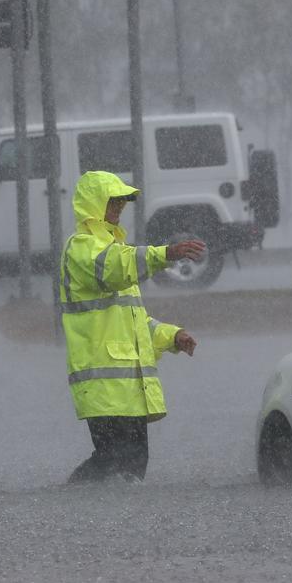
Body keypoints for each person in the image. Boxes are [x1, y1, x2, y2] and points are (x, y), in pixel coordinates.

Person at [58, 171, 206, 483]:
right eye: (114, 200)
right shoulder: (82, 249)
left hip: (126, 390)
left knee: (132, 466)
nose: (121, 205)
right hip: (104, 388)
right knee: (114, 461)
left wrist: (171, 336)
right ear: (94, 204)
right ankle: (74, 505)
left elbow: (134, 325)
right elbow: (114, 268)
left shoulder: (115, 251)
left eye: (123, 200)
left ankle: (99, 516)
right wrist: (165, 254)